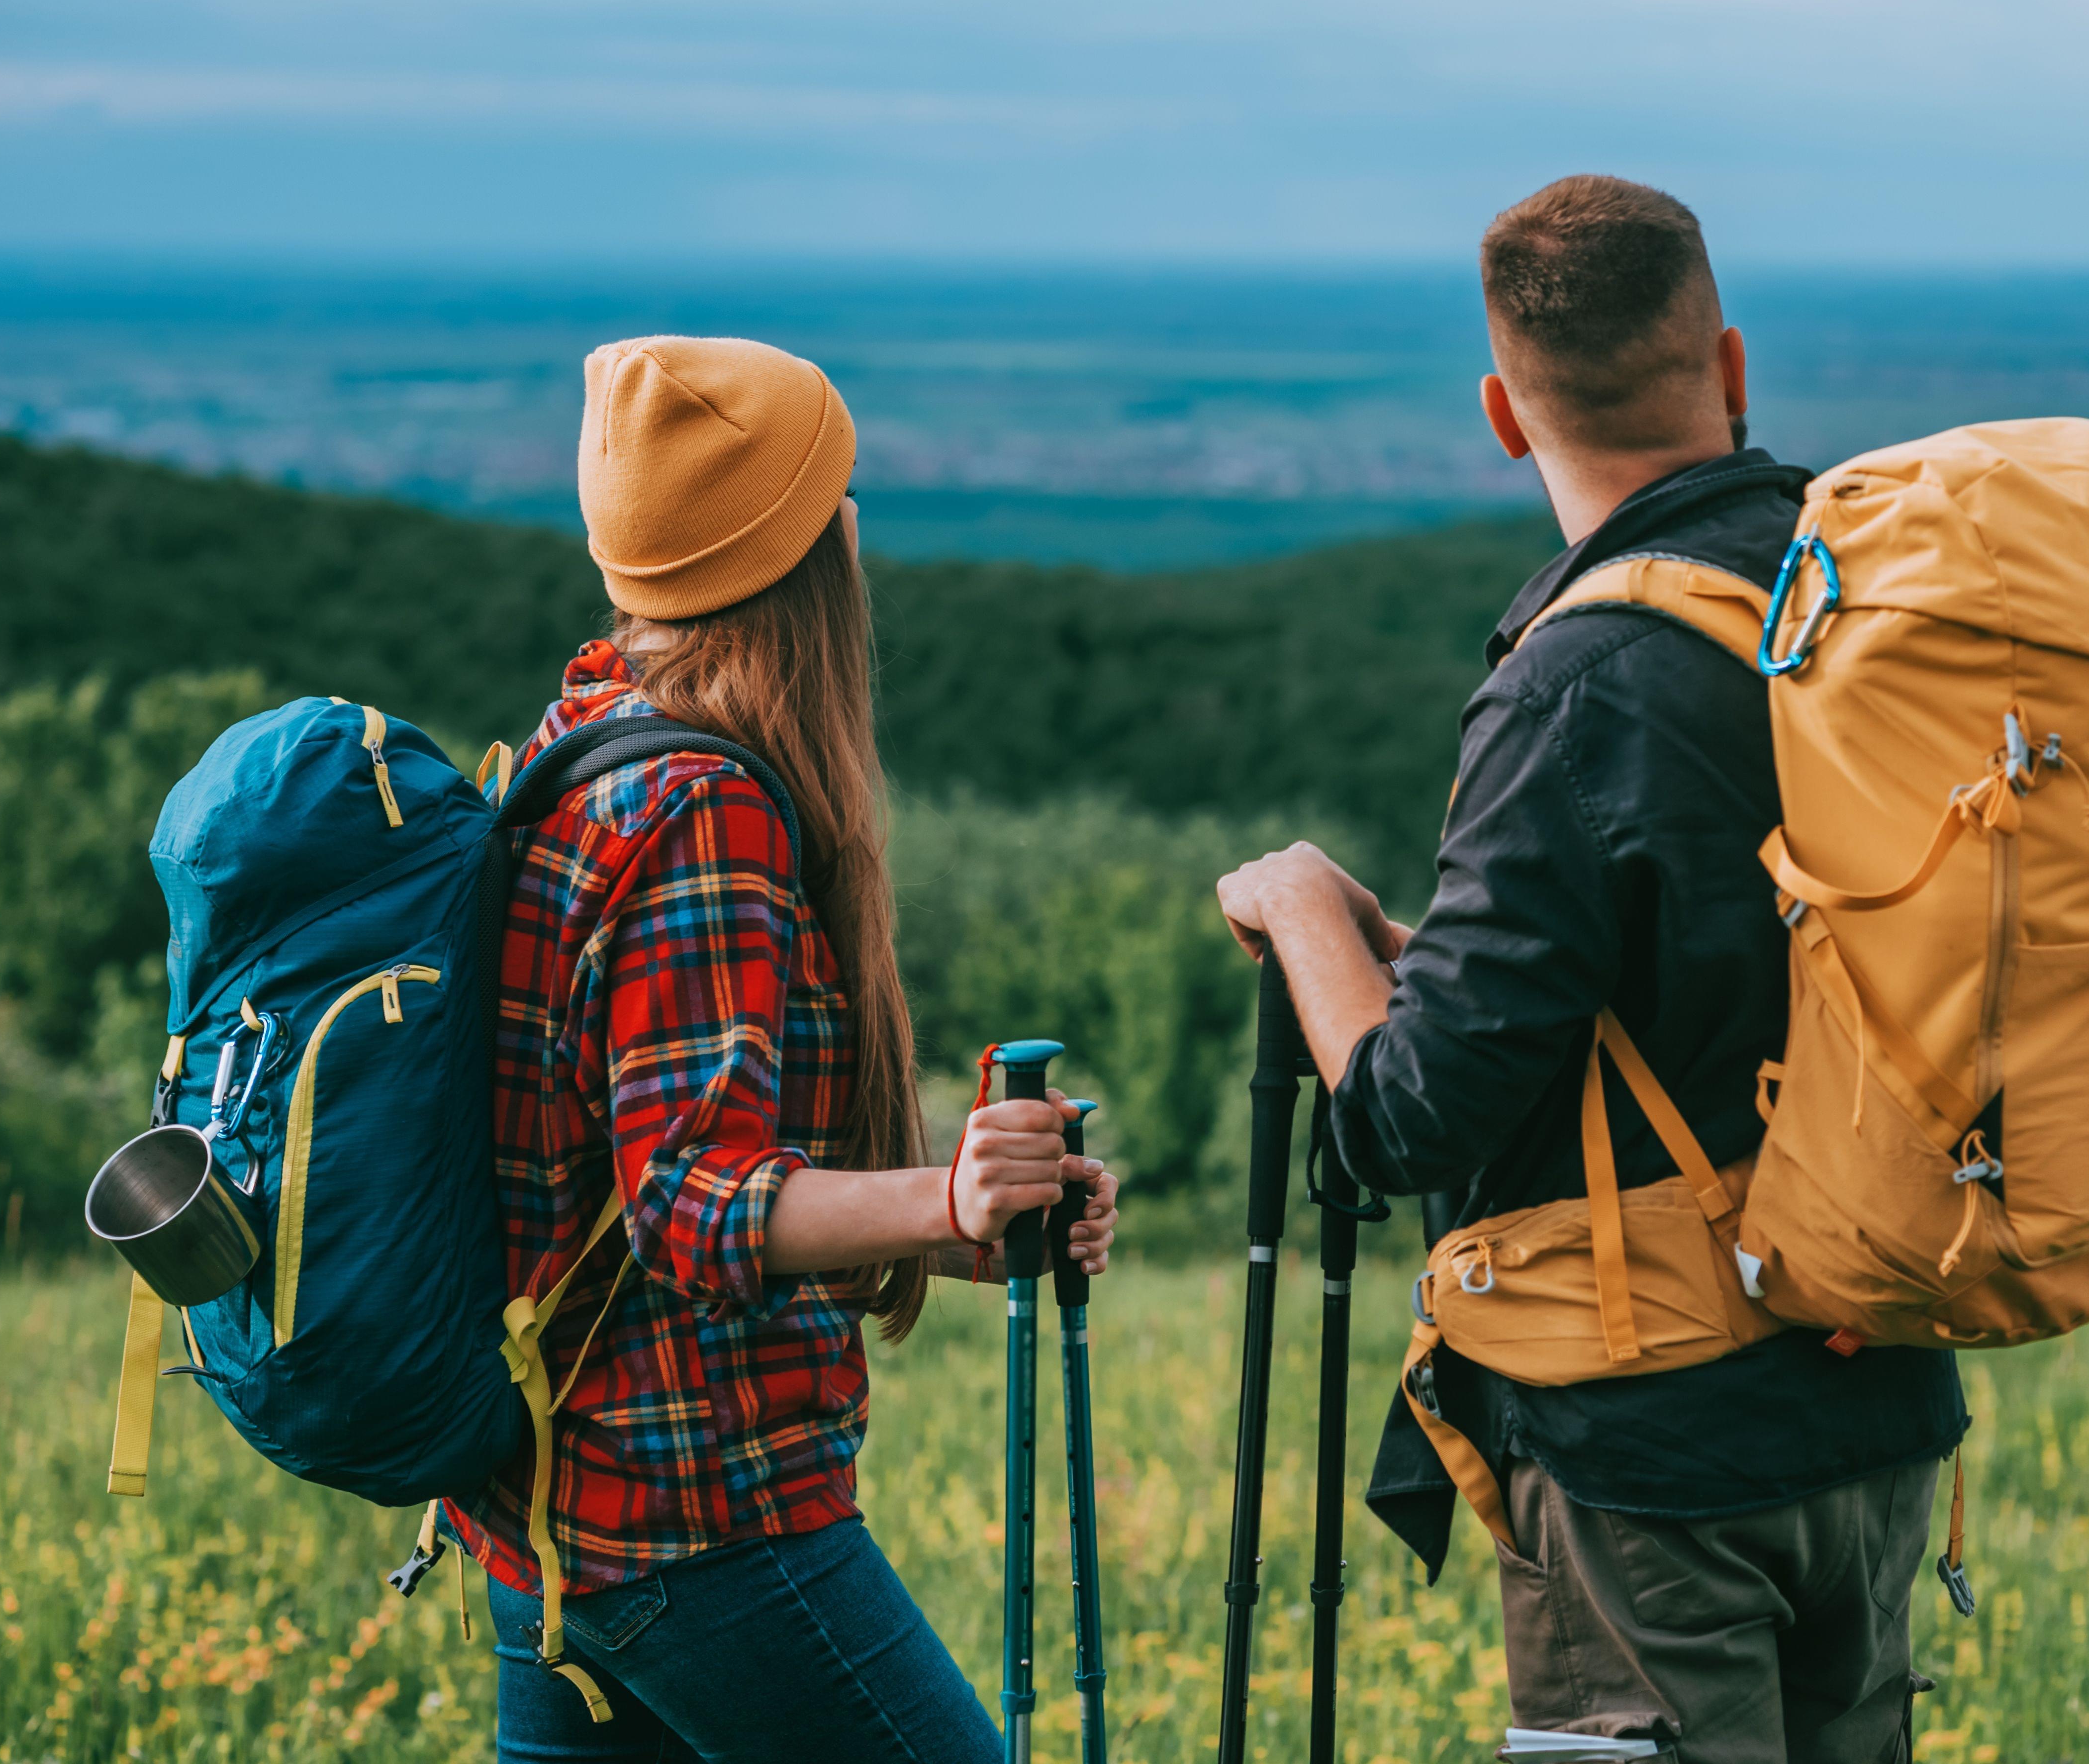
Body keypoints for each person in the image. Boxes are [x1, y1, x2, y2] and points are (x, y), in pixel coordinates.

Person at [1216, 178, 1966, 1764]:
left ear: (1504, 413)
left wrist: (1304, 915)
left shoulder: (1576, 687)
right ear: (1734, 364)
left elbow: (1407, 1118)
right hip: (1875, 1389)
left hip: (1653, 1442)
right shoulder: (1878, 613)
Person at [444, 333, 1119, 1762]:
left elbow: (646, 1163)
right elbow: (687, 1200)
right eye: (840, 493)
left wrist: (960, 1230)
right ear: (797, 549)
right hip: (704, 1517)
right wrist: (945, 1196)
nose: (859, 520)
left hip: (560, 1512)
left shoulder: (585, 733)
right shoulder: (701, 813)